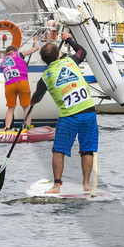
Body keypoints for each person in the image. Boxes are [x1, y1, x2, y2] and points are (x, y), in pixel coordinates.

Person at [21, 41, 100, 194]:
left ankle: (57, 186)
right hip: (89, 111)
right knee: (87, 150)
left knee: (59, 151)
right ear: (58, 55)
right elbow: (82, 51)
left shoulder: (46, 76)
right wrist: (69, 38)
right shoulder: (70, 61)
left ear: (44, 61)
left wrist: (32, 102)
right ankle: (86, 185)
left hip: (70, 115)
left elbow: (37, 96)